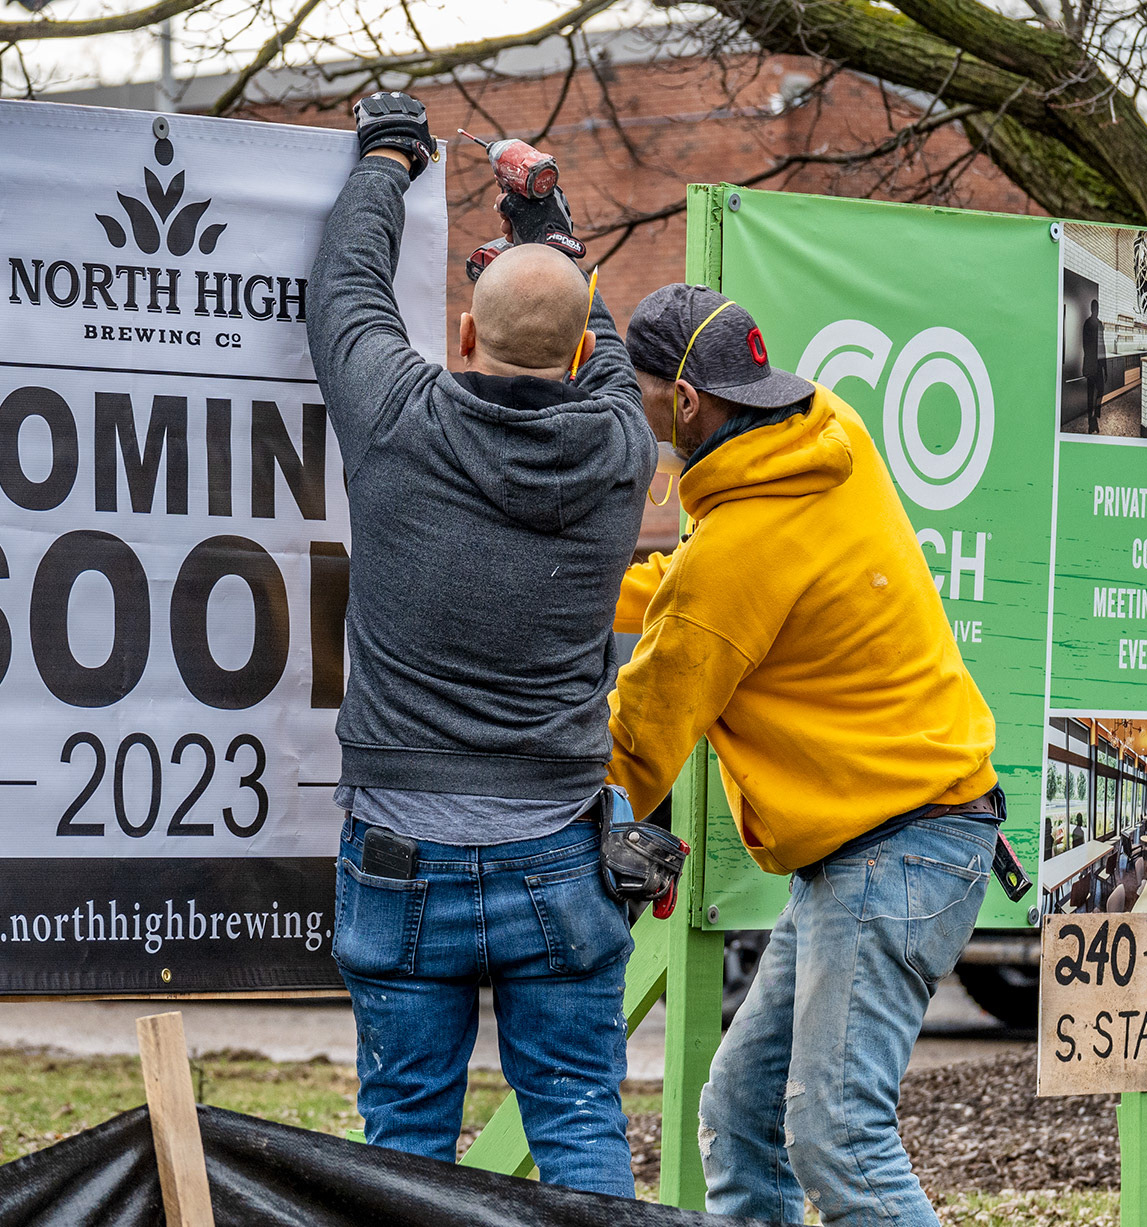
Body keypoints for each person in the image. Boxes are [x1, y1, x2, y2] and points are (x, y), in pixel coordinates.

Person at [305, 92, 656, 1196]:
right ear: (585, 351)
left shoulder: (398, 422)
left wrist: (388, 157)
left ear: (462, 336)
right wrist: (546, 218)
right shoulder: (620, 449)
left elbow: (344, 292)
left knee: (403, 1143)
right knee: (581, 1123)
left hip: (401, 851)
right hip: (559, 849)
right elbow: (590, 338)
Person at [607, 284, 1001, 1227]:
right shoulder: (826, 434)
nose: (636, 411)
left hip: (891, 851)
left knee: (836, 1132)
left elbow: (636, 749)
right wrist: (585, 583)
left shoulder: (737, 550)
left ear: (689, 404)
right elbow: (699, 584)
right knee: (742, 1114)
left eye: (643, 391)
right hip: (896, 844)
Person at [1083, 297, 1106, 433]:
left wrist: (1105, 366)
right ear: (1092, 309)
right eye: (1095, 308)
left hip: (1097, 363)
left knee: (1099, 390)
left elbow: (1102, 344)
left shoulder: (1099, 324)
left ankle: (1095, 415)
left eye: (1097, 308)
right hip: (1092, 363)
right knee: (1091, 393)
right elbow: (1085, 345)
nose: (1096, 310)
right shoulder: (1088, 324)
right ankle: (1091, 419)